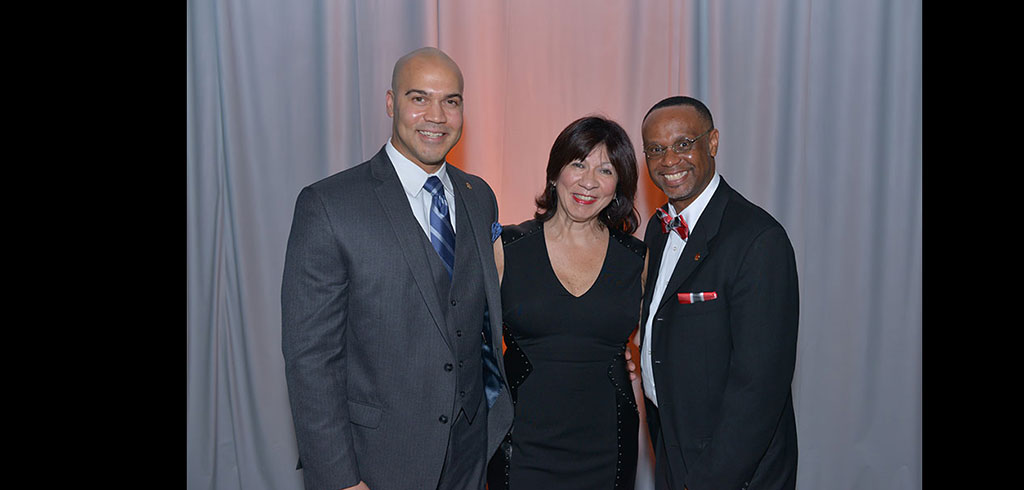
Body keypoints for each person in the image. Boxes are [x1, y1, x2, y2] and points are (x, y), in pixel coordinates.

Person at [281, 47, 512, 490]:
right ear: (391, 103)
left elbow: (479, 315)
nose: (437, 116)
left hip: (470, 449)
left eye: (451, 101)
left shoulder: (478, 195)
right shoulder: (329, 205)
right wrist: (339, 479)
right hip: (379, 459)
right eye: (419, 98)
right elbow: (311, 359)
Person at [637, 96, 800, 490]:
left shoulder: (758, 239)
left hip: (733, 471)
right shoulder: (659, 231)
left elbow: (759, 388)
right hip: (674, 455)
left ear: (712, 143)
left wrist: (709, 480)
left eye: (682, 144)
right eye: (656, 149)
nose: (669, 160)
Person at [486, 116, 644, 490]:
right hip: (520, 447)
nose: (589, 181)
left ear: (618, 185)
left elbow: (661, 343)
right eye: (578, 164)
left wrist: (634, 356)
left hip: (608, 449)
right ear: (555, 171)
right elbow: (469, 340)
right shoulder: (506, 248)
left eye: (605, 169)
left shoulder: (638, 258)